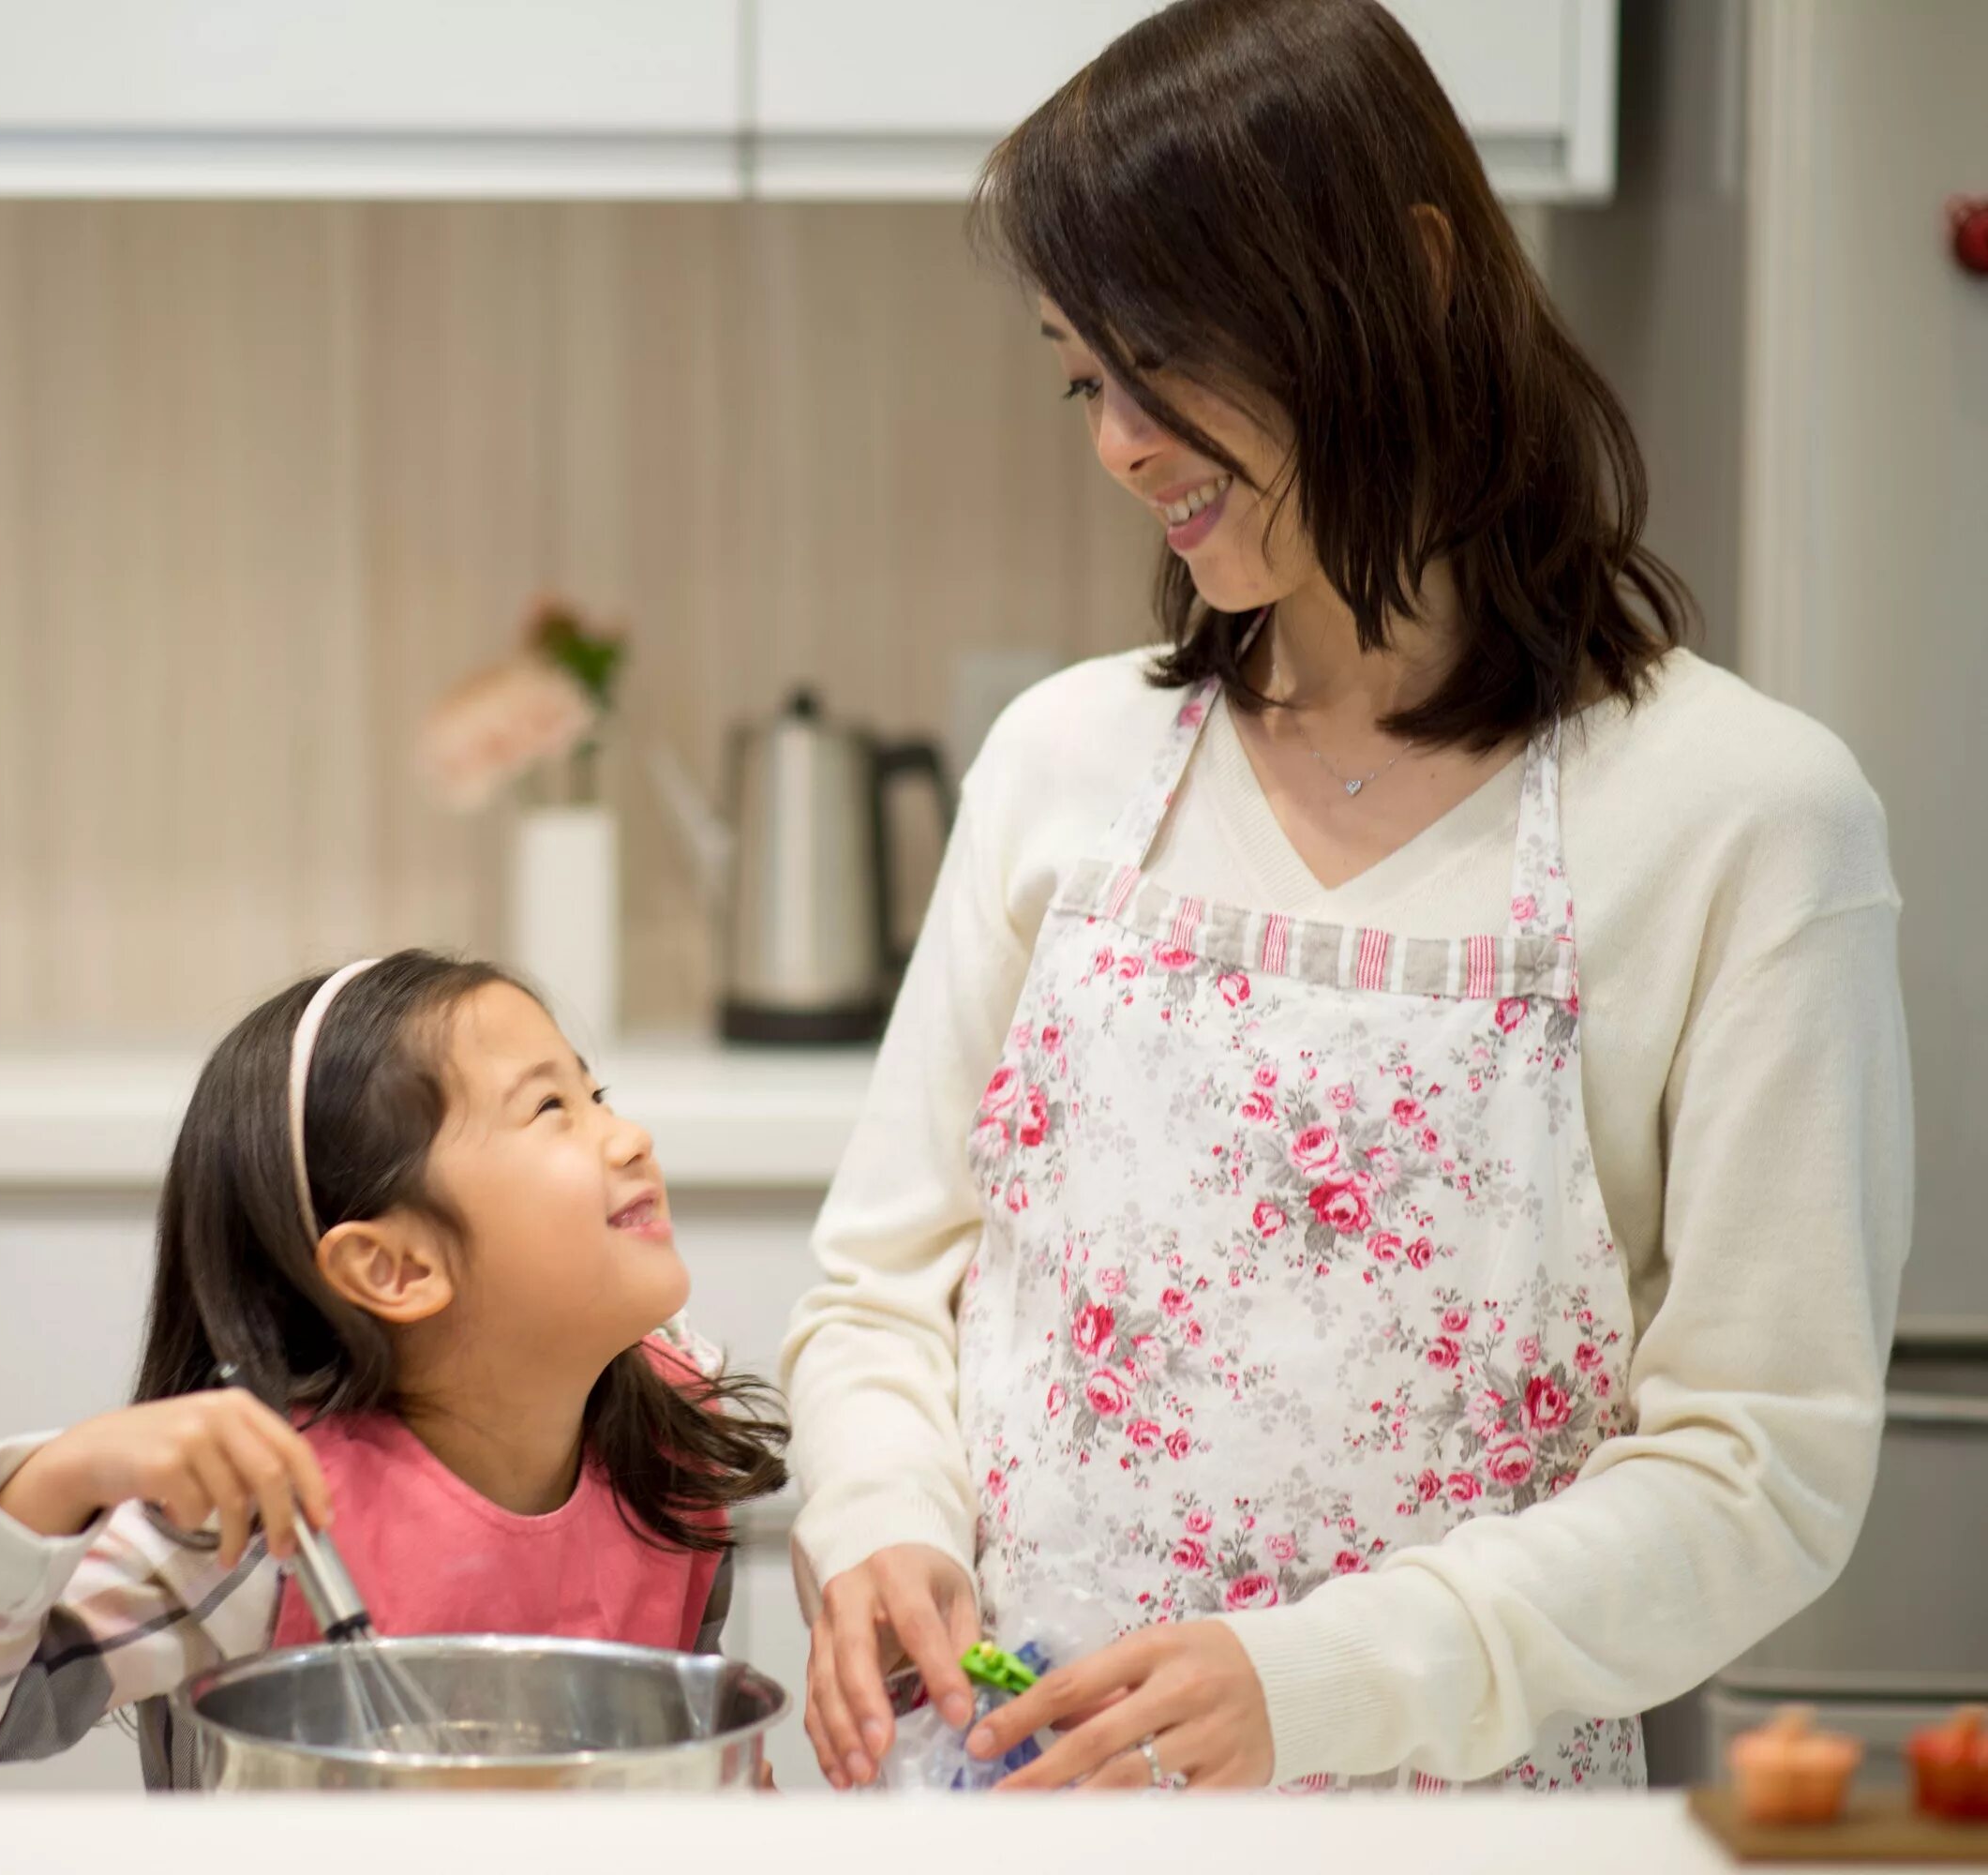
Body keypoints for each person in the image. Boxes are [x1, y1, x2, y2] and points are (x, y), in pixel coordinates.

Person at [780, 0, 1911, 1796]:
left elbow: (1757, 1470)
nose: (1120, 443)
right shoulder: (1066, 764)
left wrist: (1330, 1678)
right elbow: (877, 1292)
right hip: (1005, 1806)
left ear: (1415, 281)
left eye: (1166, 362)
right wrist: (875, 1516)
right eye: (1086, 375)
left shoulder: (1746, 822)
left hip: (1457, 1829)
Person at [0, 950, 786, 1783]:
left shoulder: (675, 1436)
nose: (629, 1135)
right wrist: (55, 1479)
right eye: (551, 1109)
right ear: (397, 1266)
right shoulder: (259, 1521)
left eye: (598, 1095)